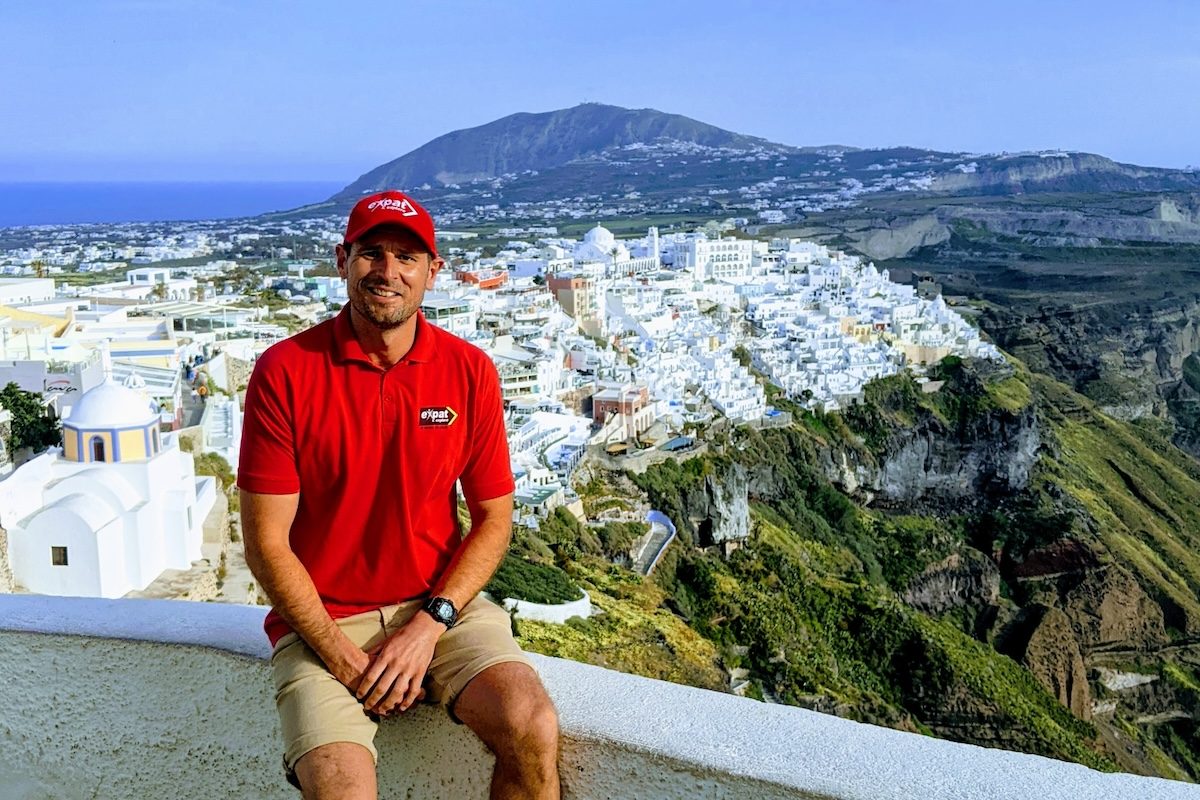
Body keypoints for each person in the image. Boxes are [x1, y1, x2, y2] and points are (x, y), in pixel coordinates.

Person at [238, 190, 560, 799]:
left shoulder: (469, 371)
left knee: (531, 725)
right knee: (339, 788)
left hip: (440, 609)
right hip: (321, 621)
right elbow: (265, 544)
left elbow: (494, 520)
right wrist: (342, 657)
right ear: (343, 260)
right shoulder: (285, 371)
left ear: (433, 272)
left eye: (407, 257)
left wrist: (430, 625)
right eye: (372, 253)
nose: (388, 271)